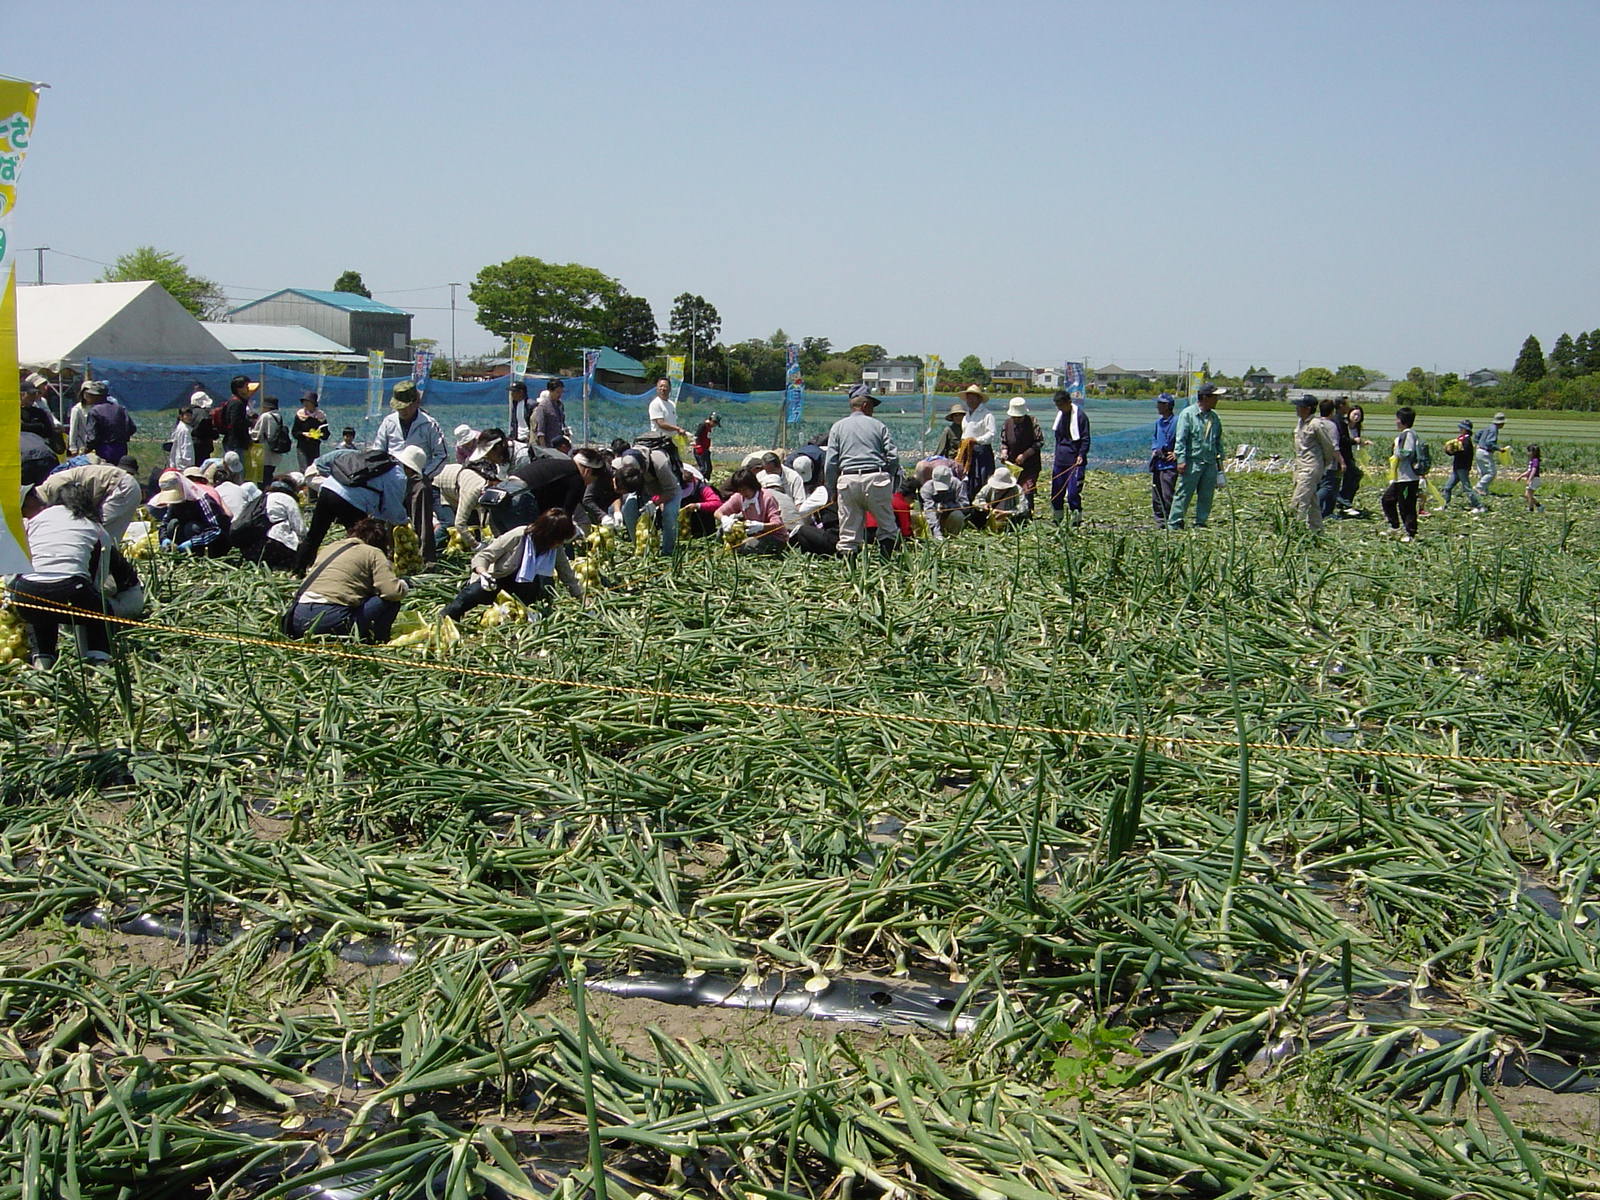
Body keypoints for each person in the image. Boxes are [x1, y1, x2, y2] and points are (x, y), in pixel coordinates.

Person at [10, 483, 120, 668]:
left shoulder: (37, 519)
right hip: (70, 589)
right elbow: (98, 579)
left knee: (40, 610)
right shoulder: (95, 527)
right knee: (102, 609)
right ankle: (99, 663)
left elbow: (21, 556)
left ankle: (42, 660)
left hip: (25, 590)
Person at [294, 445, 420, 574]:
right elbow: (392, 508)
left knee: (314, 535)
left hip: (328, 489)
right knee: (363, 540)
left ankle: (298, 571)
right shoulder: (398, 475)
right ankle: (363, 574)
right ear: (410, 468)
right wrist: (404, 521)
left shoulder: (381, 460)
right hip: (350, 500)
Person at [441, 507, 583, 620]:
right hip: (497, 579)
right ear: (549, 533)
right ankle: (446, 616)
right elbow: (484, 556)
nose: (559, 543)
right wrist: (483, 573)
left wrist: (580, 597)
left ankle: (517, 617)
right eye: (559, 539)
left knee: (536, 588)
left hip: (524, 585)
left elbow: (566, 573)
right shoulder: (519, 535)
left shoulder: (554, 548)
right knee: (474, 593)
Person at [288, 518, 409, 643]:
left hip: (298, 619)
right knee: (390, 602)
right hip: (329, 621)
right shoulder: (373, 552)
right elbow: (392, 592)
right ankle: (378, 640)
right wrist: (404, 585)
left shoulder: (331, 547)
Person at [371, 380, 446, 563]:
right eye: (399, 408)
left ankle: (426, 558)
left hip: (417, 475)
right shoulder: (388, 422)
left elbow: (441, 455)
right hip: (391, 474)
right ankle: (385, 556)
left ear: (416, 403)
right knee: (383, 512)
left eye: (406, 407)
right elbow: (378, 450)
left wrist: (425, 474)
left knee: (422, 497)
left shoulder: (429, 424)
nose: (402, 411)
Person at [825, 384, 900, 556]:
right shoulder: (878, 425)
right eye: (872, 406)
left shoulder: (838, 427)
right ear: (865, 405)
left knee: (848, 533)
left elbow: (831, 462)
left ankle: (850, 576)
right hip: (875, 477)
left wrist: (831, 488)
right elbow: (893, 457)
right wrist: (888, 475)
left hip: (848, 479)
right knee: (887, 527)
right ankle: (886, 566)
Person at [35, 459, 143, 543]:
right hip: (116, 488)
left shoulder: (56, 487)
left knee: (97, 536)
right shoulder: (49, 491)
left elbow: (76, 517)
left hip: (121, 488)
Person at [436, 430, 508, 548]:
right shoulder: (473, 492)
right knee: (448, 524)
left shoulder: (490, 489)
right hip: (438, 485)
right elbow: (459, 524)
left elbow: (489, 519)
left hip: (458, 484)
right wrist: (477, 546)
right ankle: (429, 553)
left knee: (473, 525)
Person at [1168, 384, 1224, 531]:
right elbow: (1181, 439)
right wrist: (1181, 460)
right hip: (1192, 461)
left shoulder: (1214, 417)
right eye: (1215, 397)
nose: (1217, 400)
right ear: (1205, 397)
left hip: (1209, 462)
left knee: (1206, 495)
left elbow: (1218, 440)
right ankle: (1175, 523)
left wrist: (1220, 462)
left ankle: (1201, 522)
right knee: (1183, 494)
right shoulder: (1188, 414)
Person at [614, 441, 683, 554]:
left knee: (669, 514)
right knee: (628, 511)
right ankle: (640, 549)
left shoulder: (659, 463)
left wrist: (654, 503)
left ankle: (668, 551)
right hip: (644, 489)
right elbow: (617, 490)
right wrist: (617, 511)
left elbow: (671, 491)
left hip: (669, 488)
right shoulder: (620, 465)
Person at [147, 469, 232, 556]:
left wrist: (193, 542)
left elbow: (216, 530)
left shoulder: (201, 499)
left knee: (191, 527)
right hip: (186, 539)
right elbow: (164, 524)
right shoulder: (175, 503)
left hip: (210, 543)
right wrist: (164, 539)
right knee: (173, 524)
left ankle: (198, 555)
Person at [1291, 394, 1341, 532]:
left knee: (1299, 500)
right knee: (1312, 501)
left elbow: (1328, 446)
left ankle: (1293, 530)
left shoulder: (1316, 424)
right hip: (1300, 466)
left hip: (1311, 468)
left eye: (1299, 406)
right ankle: (1317, 529)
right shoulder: (1300, 423)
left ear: (1308, 408)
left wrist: (1322, 463)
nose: (1296, 409)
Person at [715, 467, 789, 554]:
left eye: (745, 489)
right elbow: (718, 512)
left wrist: (761, 526)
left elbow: (777, 524)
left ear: (752, 486)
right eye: (739, 490)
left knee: (748, 545)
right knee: (722, 531)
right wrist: (725, 519)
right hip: (753, 533)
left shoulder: (767, 498)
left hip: (774, 536)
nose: (743, 493)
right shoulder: (739, 497)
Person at [1049, 389, 1091, 526]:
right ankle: (1057, 518)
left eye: (1061, 405)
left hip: (1075, 461)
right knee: (1056, 492)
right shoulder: (1060, 416)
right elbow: (1058, 438)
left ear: (1069, 402)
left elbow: (1085, 438)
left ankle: (1076, 520)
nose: (1060, 408)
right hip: (1060, 459)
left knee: (1073, 493)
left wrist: (1081, 454)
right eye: (1058, 406)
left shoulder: (1080, 416)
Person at [1381, 406, 1422, 542]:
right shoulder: (1405, 434)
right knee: (1387, 500)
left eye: (1397, 419)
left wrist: (1396, 451)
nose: (1395, 421)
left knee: (1407, 506)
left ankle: (1410, 533)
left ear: (1403, 420)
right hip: (1401, 477)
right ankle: (1395, 526)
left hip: (1408, 477)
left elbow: (1407, 452)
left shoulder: (1408, 434)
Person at [1000, 397, 1043, 514]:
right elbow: (1004, 442)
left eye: (1019, 417)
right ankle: (1016, 514)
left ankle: (1028, 514)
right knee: (1015, 489)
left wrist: (1025, 455)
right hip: (1014, 465)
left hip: (1031, 464)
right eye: (1014, 417)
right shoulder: (1007, 424)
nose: (1017, 419)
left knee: (1027, 489)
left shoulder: (1033, 422)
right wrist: (1004, 453)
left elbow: (1039, 442)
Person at [255, 477, 305, 571]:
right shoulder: (286, 499)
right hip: (279, 542)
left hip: (258, 543)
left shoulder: (263, 497)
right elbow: (300, 528)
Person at [82, 381, 137, 463]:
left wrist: (85, 451)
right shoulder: (119, 409)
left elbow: (92, 438)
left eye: (91, 395)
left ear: (97, 396)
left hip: (104, 449)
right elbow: (132, 428)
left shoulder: (94, 412)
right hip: (121, 448)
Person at [917, 459, 967, 540]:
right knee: (922, 516)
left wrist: (948, 507)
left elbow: (965, 504)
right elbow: (929, 511)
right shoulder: (926, 488)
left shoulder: (957, 484)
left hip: (950, 516)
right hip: (933, 518)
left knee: (958, 515)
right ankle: (930, 537)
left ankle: (953, 537)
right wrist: (937, 534)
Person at [960, 385, 996, 494]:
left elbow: (991, 433)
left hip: (981, 451)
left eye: (972, 398)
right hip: (967, 451)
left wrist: (977, 440)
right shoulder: (966, 415)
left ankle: (981, 504)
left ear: (979, 399)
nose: (969, 401)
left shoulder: (987, 415)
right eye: (968, 398)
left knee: (982, 478)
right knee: (968, 478)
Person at [1149, 394, 1179, 526]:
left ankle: (1172, 520)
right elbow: (1155, 438)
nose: (1157, 407)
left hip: (1169, 465)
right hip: (1158, 462)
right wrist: (1155, 449)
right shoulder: (1158, 422)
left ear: (1167, 406)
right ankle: (1160, 520)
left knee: (1168, 494)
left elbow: (1182, 439)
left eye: (1160, 404)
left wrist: (1177, 453)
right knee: (1157, 494)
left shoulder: (1177, 422)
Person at [1441, 420, 1484, 511]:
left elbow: (1464, 454)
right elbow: (1456, 452)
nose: (1460, 429)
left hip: (1462, 468)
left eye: (1461, 428)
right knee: (1447, 487)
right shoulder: (1461, 439)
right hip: (1457, 467)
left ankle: (1479, 506)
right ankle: (1444, 505)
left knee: (1467, 488)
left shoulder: (1466, 441)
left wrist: (1454, 451)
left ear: (1466, 429)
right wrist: (1449, 452)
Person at [251, 394, 289, 487]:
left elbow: (257, 434)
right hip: (275, 452)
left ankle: (263, 494)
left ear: (266, 406)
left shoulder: (265, 416)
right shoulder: (278, 416)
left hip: (264, 451)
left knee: (262, 478)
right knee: (269, 474)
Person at [291, 392, 331, 471]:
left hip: (314, 447)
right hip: (302, 446)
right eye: (304, 401)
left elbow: (326, 434)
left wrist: (318, 435)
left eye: (307, 401)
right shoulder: (300, 415)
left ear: (313, 403)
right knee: (304, 469)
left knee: (313, 469)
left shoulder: (320, 416)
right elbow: (294, 432)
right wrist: (303, 434)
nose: (305, 404)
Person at [1339, 404, 1367, 515]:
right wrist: (1355, 441)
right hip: (1342, 456)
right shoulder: (1343, 425)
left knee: (1352, 478)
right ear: (1349, 413)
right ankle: (1344, 501)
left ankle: (1344, 501)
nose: (1357, 417)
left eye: (1359, 415)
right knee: (1355, 475)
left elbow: (1356, 442)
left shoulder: (1357, 428)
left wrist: (1362, 443)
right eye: (1355, 414)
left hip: (1350, 457)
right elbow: (1345, 441)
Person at [220, 375, 257, 457]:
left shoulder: (238, 402)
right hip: (235, 443)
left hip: (235, 442)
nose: (248, 389)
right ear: (238, 389)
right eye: (246, 386)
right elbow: (236, 422)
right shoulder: (237, 403)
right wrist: (251, 423)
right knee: (236, 468)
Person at [1474, 411, 1507, 503]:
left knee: (1484, 472)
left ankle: (1484, 490)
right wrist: (1499, 449)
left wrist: (1477, 443)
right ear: (1501, 423)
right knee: (1491, 473)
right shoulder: (1494, 430)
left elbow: (1477, 434)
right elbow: (1490, 443)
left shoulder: (1488, 427)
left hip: (1479, 450)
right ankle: (1479, 487)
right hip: (1485, 452)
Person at [532, 378, 567, 448]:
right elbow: (540, 431)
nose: (559, 395)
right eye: (557, 392)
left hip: (559, 444)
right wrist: (544, 450)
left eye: (561, 392)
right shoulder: (543, 407)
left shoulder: (559, 405)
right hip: (548, 445)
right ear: (550, 391)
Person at [66, 384, 96, 455]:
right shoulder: (77, 409)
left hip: (96, 446)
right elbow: (73, 429)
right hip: (82, 446)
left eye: (91, 392)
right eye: (86, 392)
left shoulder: (97, 407)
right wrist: (72, 447)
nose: (88, 395)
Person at [169, 406, 197, 472]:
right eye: (187, 415)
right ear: (181, 416)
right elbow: (186, 446)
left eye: (190, 415)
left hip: (179, 461)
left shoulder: (180, 427)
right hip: (184, 464)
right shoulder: (185, 430)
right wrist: (189, 462)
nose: (189, 417)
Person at [693, 413, 721, 477]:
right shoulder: (703, 426)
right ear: (712, 420)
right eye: (715, 423)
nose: (714, 425)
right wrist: (698, 447)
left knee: (709, 469)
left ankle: (706, 484)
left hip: (705, 450)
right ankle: (699, 483)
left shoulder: (709, 428)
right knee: (704, 469)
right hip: (700, 450)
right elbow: (696, 437)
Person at [1520, 444, 1543, 512]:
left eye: (1528, 451)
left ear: (1533, 452)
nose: (1527, 453)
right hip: (1532, 479)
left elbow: (1533, 470)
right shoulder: (1532, 461)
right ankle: (1535, 506)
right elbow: (1529, 471)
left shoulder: (1535, 461)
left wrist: (1530, 479)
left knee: (1528, 494)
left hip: (1534, 479)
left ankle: (1533, 508)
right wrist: (1521, 476)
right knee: (1528, 495)